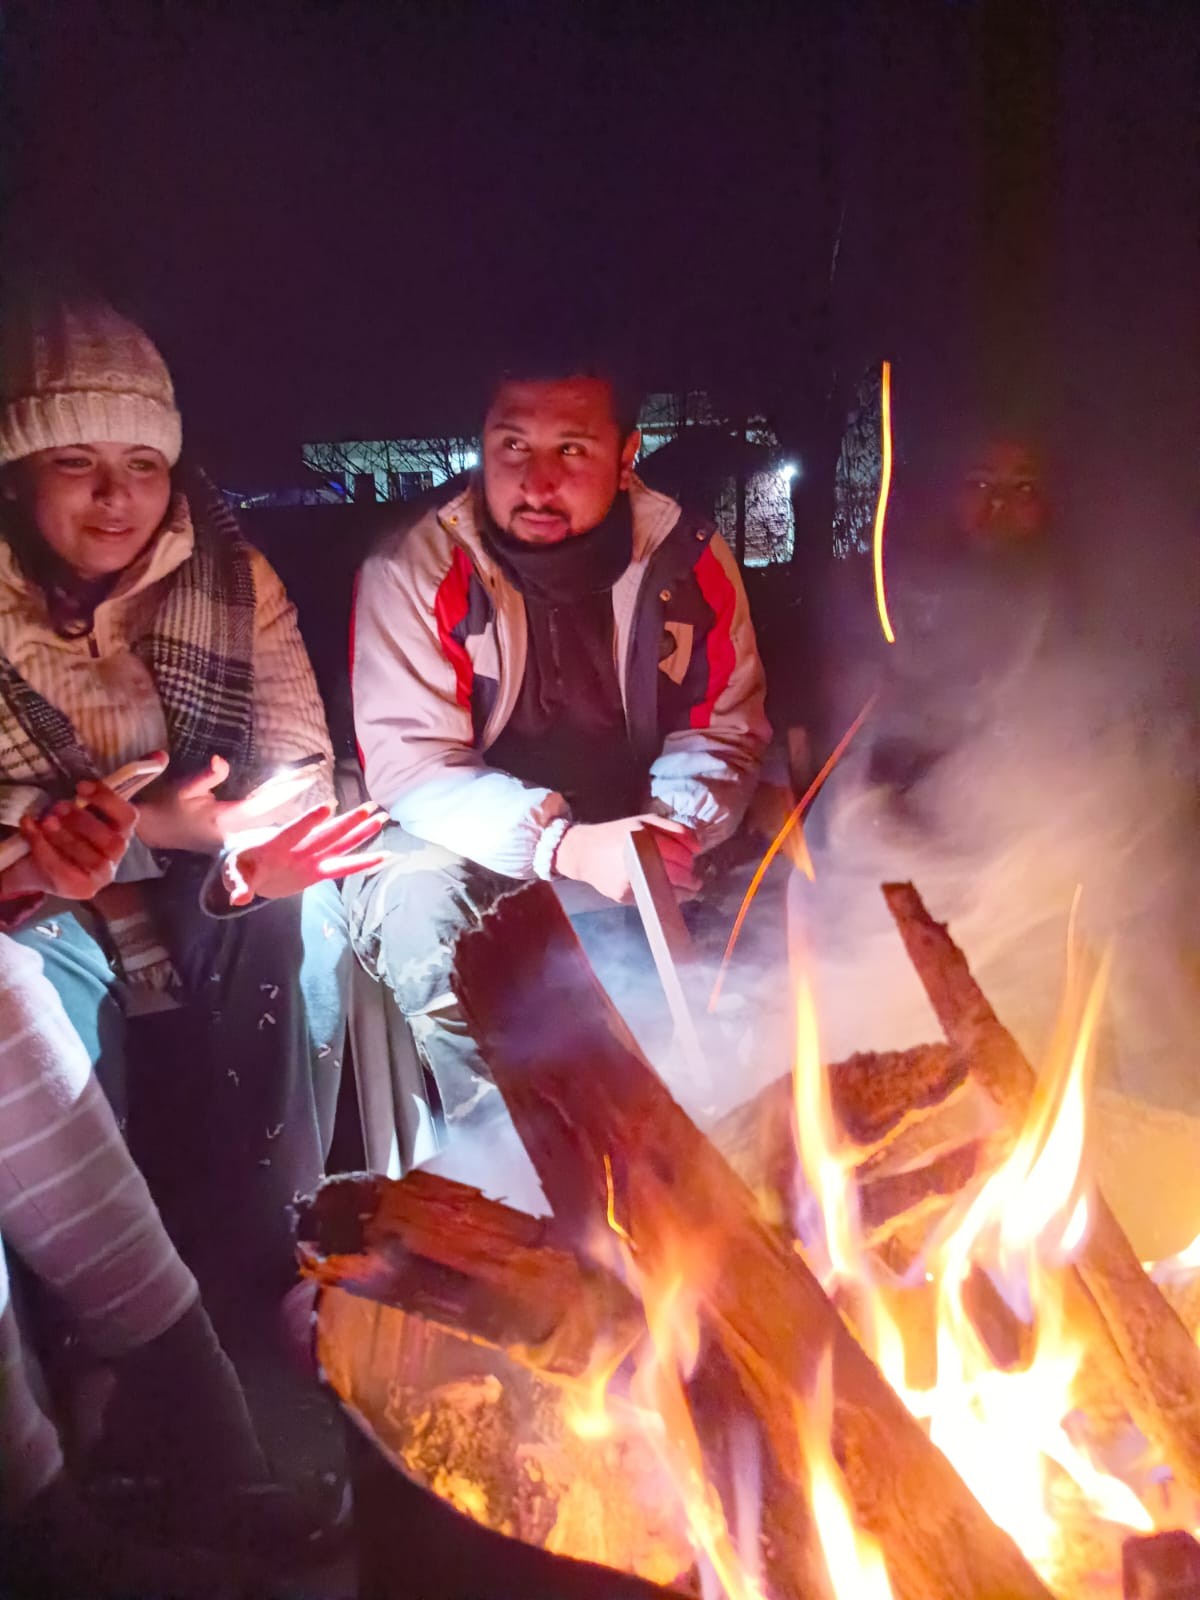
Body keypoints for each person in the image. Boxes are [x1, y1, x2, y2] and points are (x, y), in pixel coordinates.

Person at [0, 296, 385, 1297]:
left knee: (299, 935)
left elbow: (296, 760)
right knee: (33, 994)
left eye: (142, 463)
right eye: (74, 462)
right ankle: (105, 1317)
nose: (114, 497)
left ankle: (275, 1259)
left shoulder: (226, 578)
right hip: (34, 898)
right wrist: (134, 829)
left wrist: (242, 861)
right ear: (16, 472)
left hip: (209, 879)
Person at [344, 352, 769, 1132]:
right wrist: (564, 847)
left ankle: (739, 1152)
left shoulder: (688, 559)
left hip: (643, 824)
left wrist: (672, 829)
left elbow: (719, 726)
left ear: (627, 456)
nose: (536, 483)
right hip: (467, 843)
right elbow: (414, 765)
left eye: (571, 449)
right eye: (513, 446)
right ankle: (524, 1169)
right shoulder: (416, 566)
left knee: (783, 901)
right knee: (417, 903)